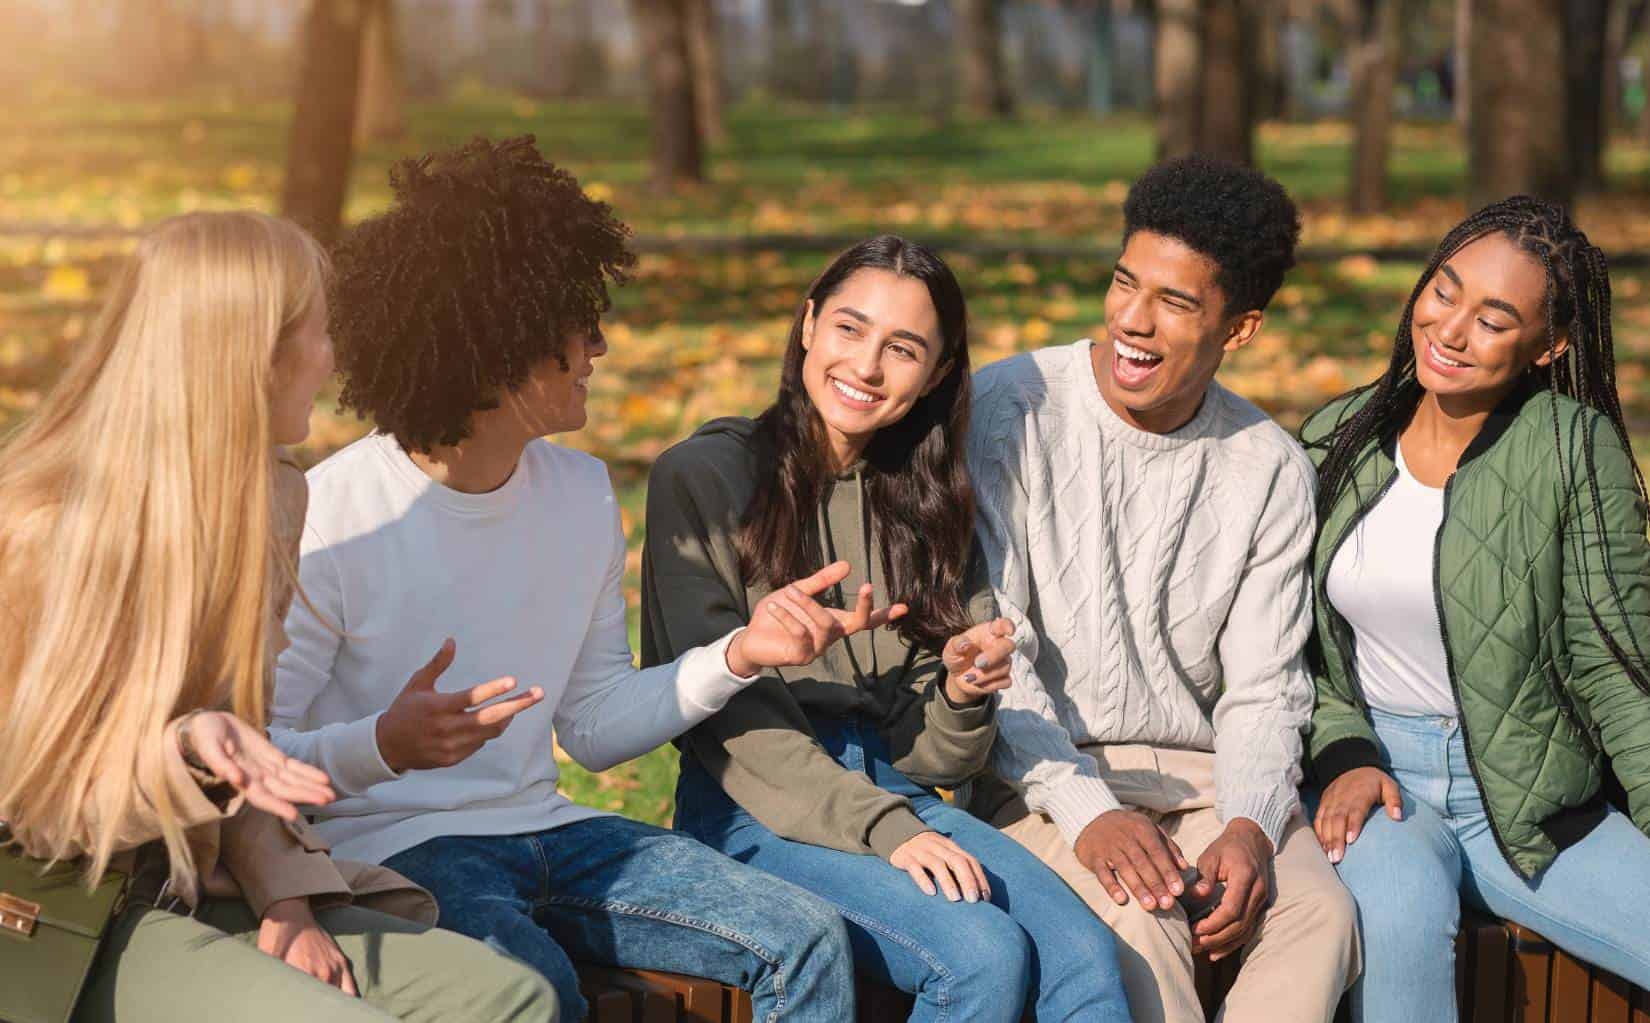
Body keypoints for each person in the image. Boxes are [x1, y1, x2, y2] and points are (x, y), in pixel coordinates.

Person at [272, 136, 863, 1023]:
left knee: (808, 937)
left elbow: (588, 724)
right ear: (499, 346)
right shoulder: (335, 513)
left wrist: (739, 654)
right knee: (538, 990)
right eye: (577, 326)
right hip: (399, 851)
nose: (601, 345)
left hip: (552, 832)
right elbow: (261, 758)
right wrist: (386, 744)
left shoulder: (582, 493)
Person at [0, 211, 555, 1023]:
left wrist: (286, 900)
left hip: (197, 875)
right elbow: (39, 801)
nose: (334, 361)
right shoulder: (43, 525)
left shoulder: (271, 496)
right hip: (61, 909)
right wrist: (186, 751)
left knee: (510, 996)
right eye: (322, 334)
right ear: (251, 351)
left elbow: (246, 742)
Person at [643, 234, 1133, 1023]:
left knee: (1084, 958)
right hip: (756, 804)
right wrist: (887, 828)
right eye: (848, 328)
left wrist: (962, 688)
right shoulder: (703, 477)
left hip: (894, 793)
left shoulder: (925, 502)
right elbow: (727, 725)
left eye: (902, 349)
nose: (866, 367)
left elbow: (931, 754)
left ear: (938, 373)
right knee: (979, 955)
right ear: (807, 325)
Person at [962, 155, 1359, 1023]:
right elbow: (999, 649)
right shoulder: (1009, 408)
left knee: (1322, 915)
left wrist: (1252, 823)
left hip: (1208, 782)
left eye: (1175, 303)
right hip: (1043, 774)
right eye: (1123, 283)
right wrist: (1085, 808)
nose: (1130, 322)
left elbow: (1264, 689)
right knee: (1144, 924)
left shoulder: (1269, 468)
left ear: (1240, 328)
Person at [1302, 195, 1650, 1022]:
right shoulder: (1336, 436)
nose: (1450, 329)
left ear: (1548, 345)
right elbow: (1297, 652)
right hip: (1379, 788)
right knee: (1401, 928)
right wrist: (1341, 753)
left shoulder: (1570, 445)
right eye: (1444, 291)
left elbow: (1618, 660)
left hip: (1533, 800)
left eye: (1494, 319)